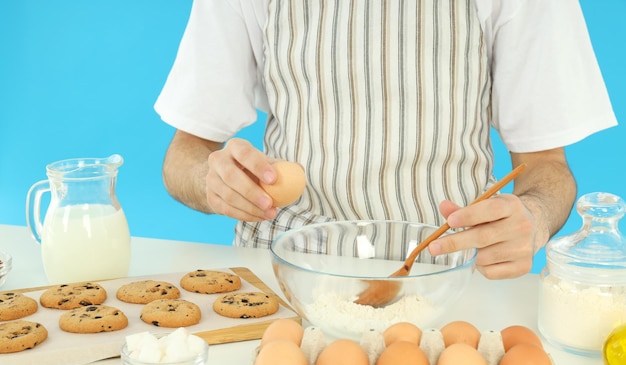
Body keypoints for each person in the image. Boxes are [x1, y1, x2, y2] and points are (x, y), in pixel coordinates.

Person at [155, 0, 616, 280]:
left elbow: (546, 167)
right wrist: (209, 180)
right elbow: (184, 156)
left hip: (447, 277)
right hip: (286, 276)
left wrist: (532, 218)